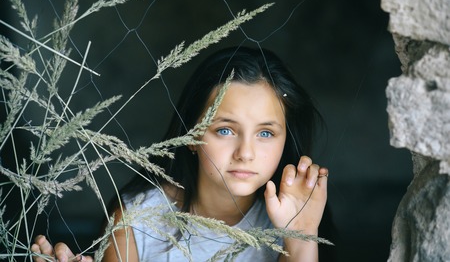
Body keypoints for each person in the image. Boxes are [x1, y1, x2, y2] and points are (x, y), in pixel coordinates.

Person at [31, 46, 329, 261]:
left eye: (266, 133)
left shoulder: (289, 221)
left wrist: (300, 235)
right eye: (225, 130)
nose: (246, 153)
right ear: (191, 134)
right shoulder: (137, 221)